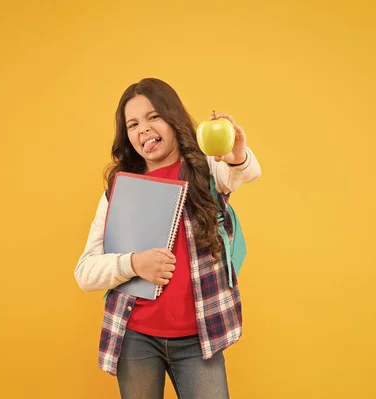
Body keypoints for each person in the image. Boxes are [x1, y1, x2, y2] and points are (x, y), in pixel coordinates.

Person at [74, 77, 261, 399]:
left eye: (153, 116)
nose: (143, 129)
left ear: (173, 119)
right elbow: (85, 273)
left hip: (200, 337)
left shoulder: (207, 169)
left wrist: (233, 152)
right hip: (135, 337)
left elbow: (245, 172)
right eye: (132, 124)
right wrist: (134, 263)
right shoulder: (120, 191)